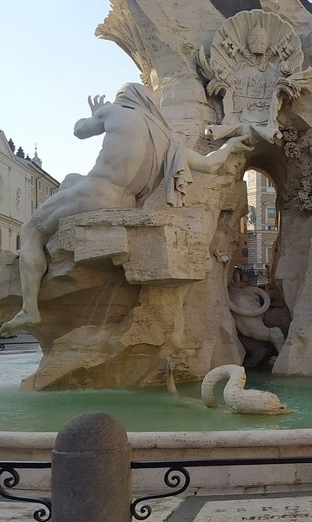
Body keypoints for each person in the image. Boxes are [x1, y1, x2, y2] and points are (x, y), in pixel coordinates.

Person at [0, 83, 250, 338]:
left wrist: (97, 113)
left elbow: (79, 130)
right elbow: (209, 164)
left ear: (125, 98)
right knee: (70, 179)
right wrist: (230, 146)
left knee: (30, 231)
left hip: (95, 194)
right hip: (125, 203)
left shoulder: (115, 110)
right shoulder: (168, 142)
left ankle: (29, 308)